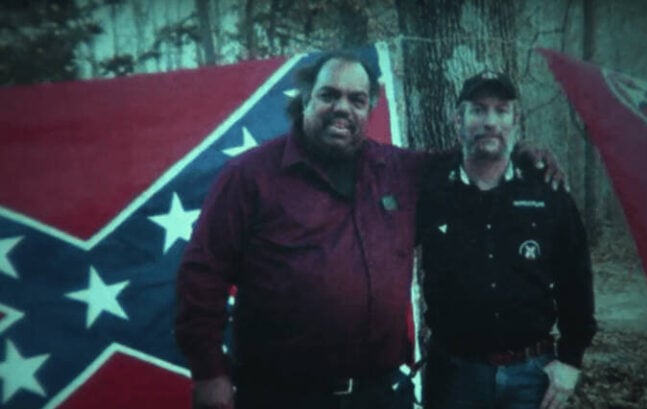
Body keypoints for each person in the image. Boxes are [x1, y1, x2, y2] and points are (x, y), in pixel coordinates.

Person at [175, 51, 565, 409]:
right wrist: (209, 371)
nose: (342, 108)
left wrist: (521, 151)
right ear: (305, 98)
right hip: (281, 394)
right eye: (330, 95)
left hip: (377, 394)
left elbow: (472, 160)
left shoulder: (399, 171)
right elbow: (201, 276)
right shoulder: (249, 177)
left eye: (357, 99)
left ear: (370, 108)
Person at [417, 72, 597, 409]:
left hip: (531, 375)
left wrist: (571, 359)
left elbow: (576, 279)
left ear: (516, 120)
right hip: (453, 375)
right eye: (478, 110)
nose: (490, 121)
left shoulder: (547, 190)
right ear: (459, 118)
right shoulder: (431, 186)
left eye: (501, 111)